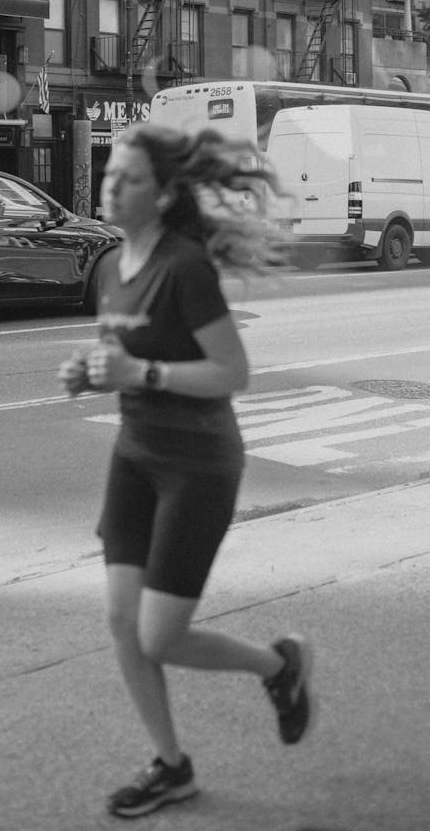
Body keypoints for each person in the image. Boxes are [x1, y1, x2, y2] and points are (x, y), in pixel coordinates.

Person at [59, 123, 314, 820]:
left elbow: (233, 371)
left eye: (129, 178)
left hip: (199, 463)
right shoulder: (113, 266)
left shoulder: (183, 266)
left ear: (166, 193)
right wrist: (88, 371)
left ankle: (279, 664)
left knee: (160, 636)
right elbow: (123, 349)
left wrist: (140, 369)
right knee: (121, 620)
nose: (111, 185)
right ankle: (172, 767)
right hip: (136, 452)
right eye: (110, 172)